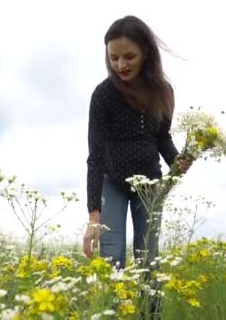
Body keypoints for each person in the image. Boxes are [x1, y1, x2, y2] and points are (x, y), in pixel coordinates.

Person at [83, 15, 194, 268]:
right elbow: (95, 157)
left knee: (149, 260)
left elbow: (162, 138)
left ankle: (151, 309)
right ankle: (113, 308)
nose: (120, 64)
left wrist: (178, 161)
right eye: (114, 58)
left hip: (151, 187)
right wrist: (93, 216)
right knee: (113, 258)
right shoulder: (103, 95)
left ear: (145, 53)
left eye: (129, 57)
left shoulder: (163, 91)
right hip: (113, 184)